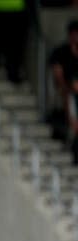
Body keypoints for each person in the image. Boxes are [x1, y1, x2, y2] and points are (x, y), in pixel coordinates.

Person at [49, 20, 78, 161]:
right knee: (68, 98)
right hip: (65, 91)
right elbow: (58, 76)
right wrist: (69, 87)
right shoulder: (61, 52)